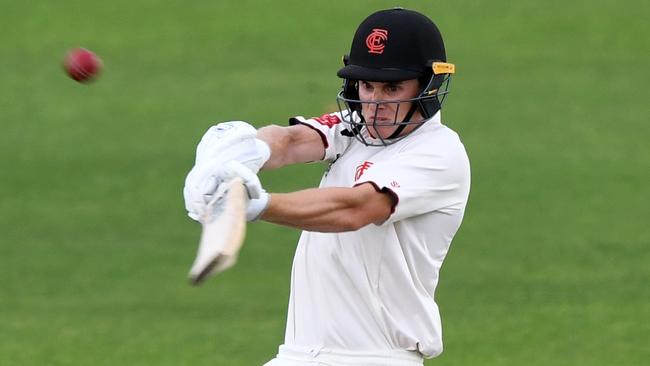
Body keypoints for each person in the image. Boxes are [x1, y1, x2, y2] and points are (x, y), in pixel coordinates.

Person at [183, 7, 470, 366]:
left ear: (428, 87)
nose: (375, 102)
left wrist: (256, 205)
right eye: (367, 85)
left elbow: (356, 209)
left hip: (373, 357)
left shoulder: (440, 152)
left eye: (392, 87)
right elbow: (290, 141)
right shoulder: (357, 127)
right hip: (298, 354)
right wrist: (243, 151)